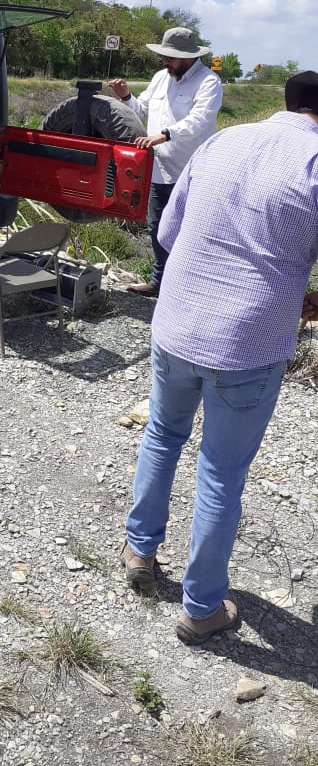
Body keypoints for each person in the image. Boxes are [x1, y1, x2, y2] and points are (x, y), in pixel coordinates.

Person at [120, 70, 318, 645]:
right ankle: (201, 606)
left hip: (178, 322)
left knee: (161, 434)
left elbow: (169, 233)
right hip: (248, 342)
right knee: (221, 472)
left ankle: (139, 551)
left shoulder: (225, 141)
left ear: (288, 103)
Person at [109, 27, 223, 297]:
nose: (165, 61)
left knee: (191, 232)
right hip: (159, 170)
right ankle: (161, 283)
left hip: (192, 172)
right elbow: (141, 111)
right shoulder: (161, 77)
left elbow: (200, 120)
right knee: (158, 228)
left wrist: (164, 135)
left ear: (187, 57)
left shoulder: (208, 82)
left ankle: (188, 289)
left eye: (170, 57)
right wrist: (126, 96)